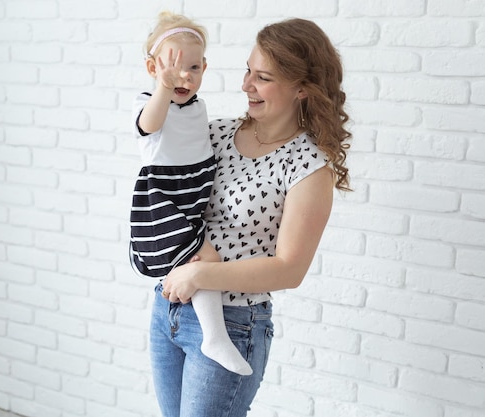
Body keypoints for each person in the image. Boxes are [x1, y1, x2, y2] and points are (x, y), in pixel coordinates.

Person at [150, 18, 352, 417]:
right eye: (247, 70)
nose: (246, 85)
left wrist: (200, 275)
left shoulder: (309, 166)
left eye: (262, 77)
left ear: (302, 89)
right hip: (168, 309)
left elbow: (289, 269)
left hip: (234, 321)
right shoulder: (215, 132)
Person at [129, 12, 253, 376]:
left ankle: (210, 334)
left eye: (194, 68)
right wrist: (163, 89)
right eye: (173, 68)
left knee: (197, 261)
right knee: (205, 259)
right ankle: (214, 337)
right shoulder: (150, 102)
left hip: (191, 194)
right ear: (152, 68)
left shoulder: (198, 106)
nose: (184, 76)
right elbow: (149, 125)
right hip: (164, 197)